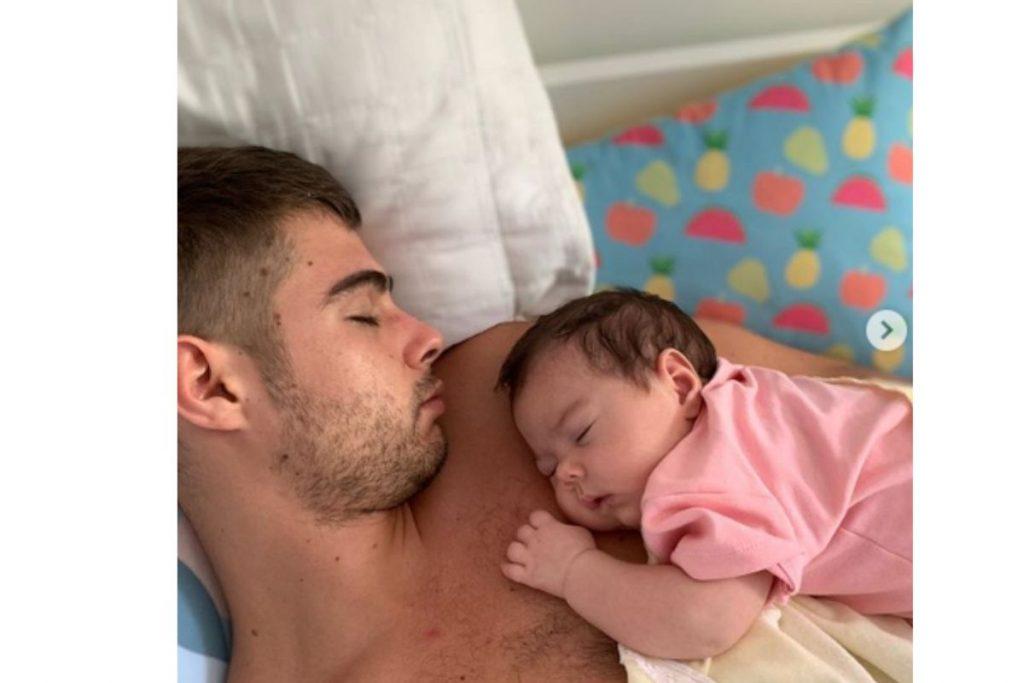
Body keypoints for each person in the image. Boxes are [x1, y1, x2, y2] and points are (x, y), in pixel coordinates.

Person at [178, 145, 893, 681]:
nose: (427, 337)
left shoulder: (529, 382)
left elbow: (850, 403)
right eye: (363, 314)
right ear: (209, 385)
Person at [495, 290, 912, 661]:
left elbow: (706, 619)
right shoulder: (747, 400)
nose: (566, 473)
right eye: (548, 468)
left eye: (582, 432)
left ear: (679, 384)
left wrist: (574, 571)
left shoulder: (705, 468)